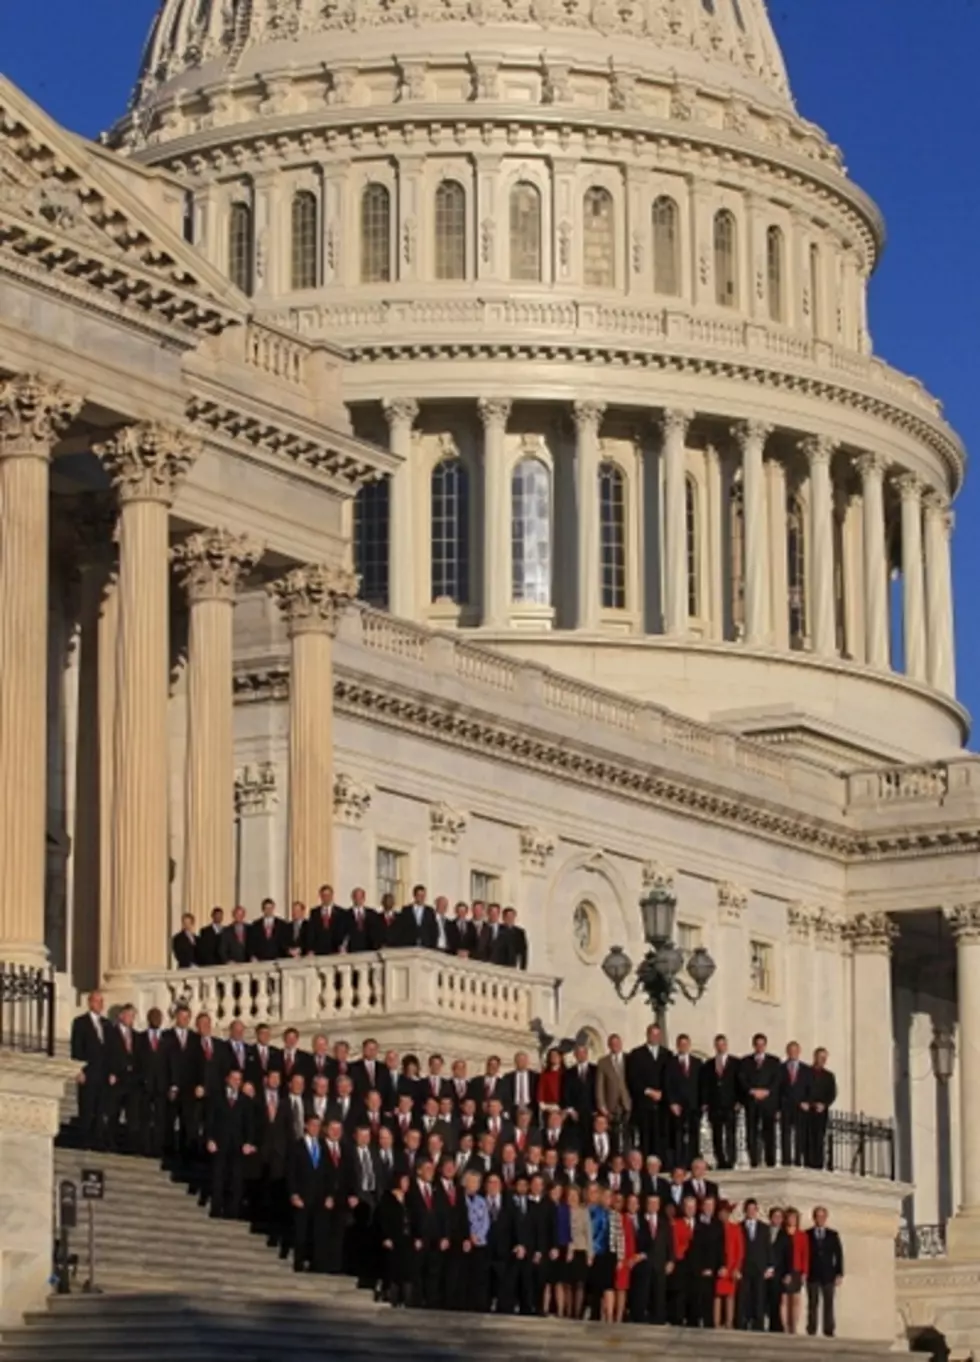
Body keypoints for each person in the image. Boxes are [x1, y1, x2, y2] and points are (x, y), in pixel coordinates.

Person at [71, 991, 112, 1151]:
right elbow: (76, 1047)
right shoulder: (80, 1022)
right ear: (90, 1002)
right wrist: (79, 1070)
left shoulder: (107, 1024)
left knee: (100, 1108)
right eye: (97, 1001)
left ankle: (98, 1140)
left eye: (101, 1001)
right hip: (87, 1073)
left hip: (102, 1074)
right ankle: (84, 1140)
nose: (100, 1005)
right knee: (86, 1108)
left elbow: (110, 1050)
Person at [626, 1024, 671, 1159]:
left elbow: (671, 1078)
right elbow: (632, 1078)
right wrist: (648, 1091)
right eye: (653, 1034)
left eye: (658, 1035)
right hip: (643, 1103)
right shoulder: (637, 1054)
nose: (655, 1037)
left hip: (662, 1104)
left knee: (661, 1136)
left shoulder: (667, 1054)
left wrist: (663, 1093)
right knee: (645, 1136)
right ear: (647, 1035)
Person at [739, 1033, 781, 1168]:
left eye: (762, 1044)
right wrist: (752, 1091)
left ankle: (770, 1161)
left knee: (769, 1132)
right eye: (757, 1044)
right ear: (754, 1045)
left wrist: (767, 1091)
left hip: (768, 1102)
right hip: (752, 1101)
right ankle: (754, 1160)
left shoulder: (774, 1061)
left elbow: (777, 1080)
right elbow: (742, 1079)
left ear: (765, 1045)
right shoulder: (745, 1061)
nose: (760, 1047)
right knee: (751, 1131)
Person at [700, 1034, 738, 1170]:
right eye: (718, 1045)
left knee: (730, 1133)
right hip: (714, 1104)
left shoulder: (735, 1063)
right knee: (716, 1133)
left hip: (730, 1104)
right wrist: (704, 1102)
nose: (721, 1047)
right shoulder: (708, 1065)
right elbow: (705, 1085)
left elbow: (738, 1083)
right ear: (715, 1046)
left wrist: (738, 1101)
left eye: (723, 1044)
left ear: (726, 1045)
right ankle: (720, 1159)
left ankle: (731, 1159)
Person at [806, 1206, 843, 1338]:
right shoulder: (807, 1234)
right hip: (813, 1273)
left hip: (828, 1274)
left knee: (829, 1303)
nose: (820, 1219)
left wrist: (839, 1273)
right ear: (814, 1218)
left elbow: (838, 1255)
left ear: (826, 1218)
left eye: (822, 1216)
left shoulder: (832, 1235)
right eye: (817, 1216)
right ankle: (811, 1329)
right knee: (812, 1303)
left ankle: (829, 1329)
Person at [666, 1033, 702, 1169]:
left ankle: (693, 1160)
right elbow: (667, 1083)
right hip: (677, 1105)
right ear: (677, 1046)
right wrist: (672, 1102)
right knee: (678, 1134)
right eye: (681, 1044)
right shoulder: (671, 1063)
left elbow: (701, 1084)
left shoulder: (697, 1062)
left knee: (694, 1133)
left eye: (686, 1044)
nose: (684, 1046)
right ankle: (679, 1162)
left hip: (694, 1104)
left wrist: (702, 1103)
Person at [378, 1172, 414, 1306]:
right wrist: (385, 1236)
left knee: (406, 1270)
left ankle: (405, 1299)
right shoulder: (387, 1198)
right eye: (404, 1181)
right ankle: (389, 1294)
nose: (407, 1184)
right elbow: (383, 1219)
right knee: (393, 1267)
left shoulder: (409, 1199)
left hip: (406, 1239)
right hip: (393, 1239)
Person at [738, 1198, 773, 1331]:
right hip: (744, 1266)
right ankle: (743, 1321)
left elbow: (767, 1247)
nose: (751, 1212)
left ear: (757, 1211)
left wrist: (770, 1266)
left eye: (754, 1209)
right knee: (744, 1295)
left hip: (760, 1266)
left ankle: (758, 1323)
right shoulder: (739, 1227)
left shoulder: (764, 1228)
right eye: (749, 1209)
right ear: (745, 1211)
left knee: (759, 1296)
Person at [779, 1042, 811, 1167]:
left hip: (800, 1106)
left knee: (800, 1133)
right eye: (790, 1050)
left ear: (799, 1051)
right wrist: (778, 1107)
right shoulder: (781, 1068)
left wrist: (807, 1102)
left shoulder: (806, 1069)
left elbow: (810, 1088)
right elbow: (777, 1088)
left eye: (795, 1050)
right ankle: (786, 1160)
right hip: (785, 1106)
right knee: (785, 1133)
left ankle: (798, 1159)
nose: (793, 1053)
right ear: (787, 1052)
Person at [596, 1034, 631, 1146]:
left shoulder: (629, 1059)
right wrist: (602, 1106)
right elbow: (599, 1086)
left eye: (617, 1043)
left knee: (628, 1133)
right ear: (609, 1046)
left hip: (627, 1103)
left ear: (621, 1044)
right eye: (612, 1044)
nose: (615, 1046)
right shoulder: (603, 1062)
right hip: (611, 1105)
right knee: (613, 1135)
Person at [806, 1048, 838, 1170]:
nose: (823, 1060)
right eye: (820, 1057)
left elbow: (832, 1093)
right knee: (808, 1137)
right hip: (808, 1110)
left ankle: (818, 1163)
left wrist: (824, 1104)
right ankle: (808, 1162)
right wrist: (810, 1103)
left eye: (825, 1058)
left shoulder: (829, 1076)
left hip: (821, 1111)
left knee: (820, 1137)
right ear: (815, 1057)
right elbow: (803, 1089)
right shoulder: (806, 1072)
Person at [714, 1200, 743, 1330]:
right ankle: (716, 1322)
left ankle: (729, 1322)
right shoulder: (714, 1228)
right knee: (717, 1295)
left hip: (731, 1266)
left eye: (726, 1213)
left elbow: (740, 1250)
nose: (723, 1215)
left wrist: (736, 1268)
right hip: (719, 1267)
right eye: (721, 1213)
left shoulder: (735, 1228)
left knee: (730, 1296)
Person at [565, 1184, 593, 1319]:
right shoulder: (563, 1211)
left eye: (574, 1195)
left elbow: (588, 1233)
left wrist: (590, 1254)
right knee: (569, 1284)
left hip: (581, 1250)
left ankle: (578, 1313)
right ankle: (569, 1312)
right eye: (569, 1195)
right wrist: (569, 1248)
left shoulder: (584, 1211)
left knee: (580, 1284)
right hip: (568, 1251)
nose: (572, 1198)